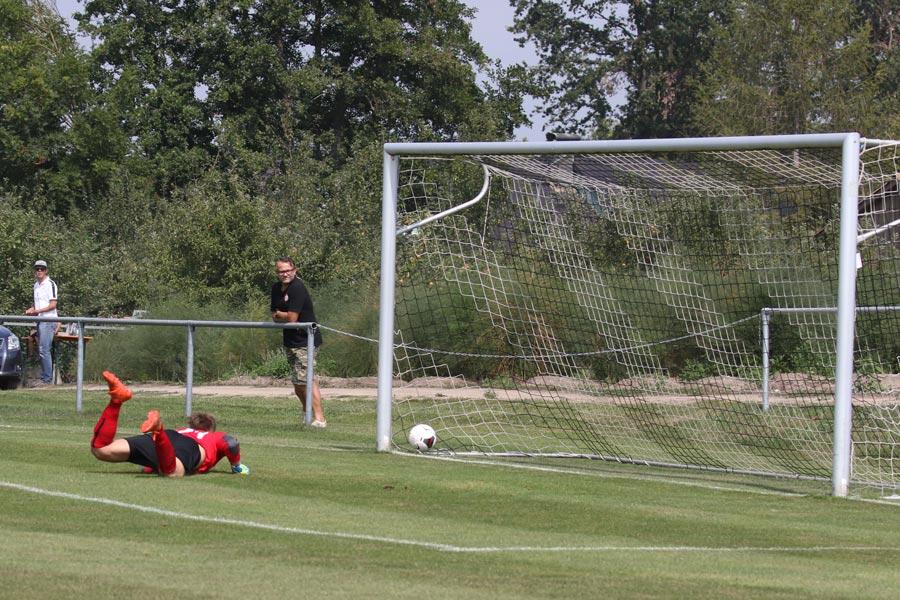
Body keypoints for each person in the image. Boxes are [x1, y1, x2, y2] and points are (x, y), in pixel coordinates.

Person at [90, 371, 250, 477]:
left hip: (170, 434)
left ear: (191, 425)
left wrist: (151, 466)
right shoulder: (212, 436)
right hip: (191, 446)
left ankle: (116, 400)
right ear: (209, 428)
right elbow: (230, 442)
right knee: (172, 472)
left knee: (101, 450)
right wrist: (237, 466)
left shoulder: (182, 430)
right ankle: (158, 430)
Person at [270, 256, 326, 427]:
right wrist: (280, 315)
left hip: (306, 339)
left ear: (295, 270)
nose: (285, 274)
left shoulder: (297, 288)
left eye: (288, 270)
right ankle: (307, 413)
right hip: (290, 340)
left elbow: (293, 318)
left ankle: (319, 418)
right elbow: (273, 315)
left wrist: (281, 314)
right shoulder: (276, 288)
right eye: (281, 271)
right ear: (277, 273)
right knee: (298, 382)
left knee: (304, 380)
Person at [24, 259, 58, 385]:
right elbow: (37, 304)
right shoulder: (36, 285)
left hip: (48, 320)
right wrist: (32, 310)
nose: (39, 271)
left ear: (46, 271)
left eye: (42, 269)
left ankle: (47, 380)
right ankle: (45, 377)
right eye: (37, 269)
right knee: (41, 349)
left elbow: (53, 305)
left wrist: (37, 310)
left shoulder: (51, 284)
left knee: (44, 349)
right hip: (39, 320)